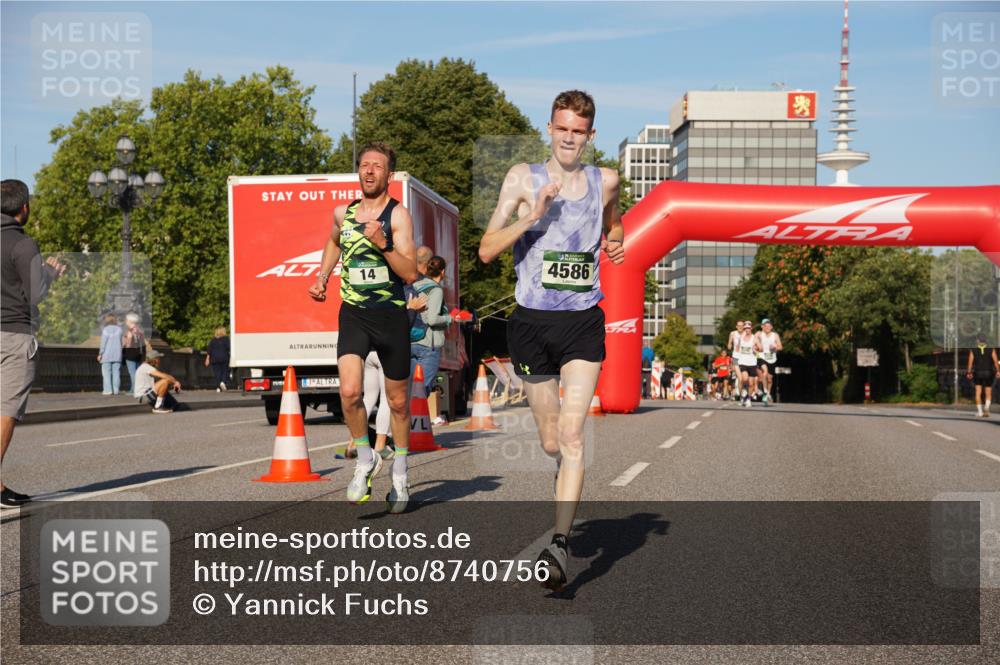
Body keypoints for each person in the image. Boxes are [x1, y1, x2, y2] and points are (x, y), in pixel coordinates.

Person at [479, 90, 625, 590]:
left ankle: (559, 543)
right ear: (549, 128)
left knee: (571, 435)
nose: (569, 137)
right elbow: (485, 251)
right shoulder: (523, 177)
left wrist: (618, 235)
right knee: (548, 441)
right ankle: (562, 480)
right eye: (562, 128)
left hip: (583, 322)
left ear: (590, 136)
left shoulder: (605, 181)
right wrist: (531, 216)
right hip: (531, 324)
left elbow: (614, 220)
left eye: (578, 131)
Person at [308, 142, 418, 513]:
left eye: (377, 166)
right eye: (364, 165)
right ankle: (366, 458)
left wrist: (383, 244)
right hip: (354, 312)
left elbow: (410, 272)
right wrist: (322, 276)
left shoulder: (398, 216)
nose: (369, 171)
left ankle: (400, 474)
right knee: (350, 392)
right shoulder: (344, 213)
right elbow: (334, 241)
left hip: (390, 315)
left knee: (399, 403)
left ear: (389, 175)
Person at [1, 179, 66, 508]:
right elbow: (35, 294)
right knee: (6, 410)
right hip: (13, 334)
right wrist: (49, 274)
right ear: (24, 207)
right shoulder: (23, 244)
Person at [410, 255, 454, 425]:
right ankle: (413, 430)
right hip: (428, 345)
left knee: (411, 389)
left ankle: (404, 429)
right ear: (442, 272)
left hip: (411, 341)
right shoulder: (435, 290)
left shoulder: (415, 285)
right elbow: (433, 319)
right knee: (422, 389)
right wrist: (450, 318)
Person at [133, 349, 181, 413]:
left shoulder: (147, 367)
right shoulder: (146, 367)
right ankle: (158, 407)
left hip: (148, 393)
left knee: (166, 383)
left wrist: (174, 383)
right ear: (155, 360)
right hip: (143, 396)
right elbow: (164, 376)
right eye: (159, 359)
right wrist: (175, 382)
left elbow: (165, 377)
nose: (160, 361)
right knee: (165, 381)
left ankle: (171, 404)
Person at [966, 334, 999, 418]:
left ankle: (980, 412)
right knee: (988, 392)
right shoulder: (991, 349)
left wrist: (969, 372)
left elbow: (970, 362)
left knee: (978, 392)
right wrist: (998, 371)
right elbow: (995, 361)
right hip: (989, 372)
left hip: (978, 372)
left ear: (978, 340)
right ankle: (986, 408)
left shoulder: (973, 350)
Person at [755, 318, 782, 406]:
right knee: (765, 372)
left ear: (771, 327)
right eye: (765, 326)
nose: (767, 327)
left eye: (769, 326)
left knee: (770, 379)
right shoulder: (759, 334)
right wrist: (756, 347)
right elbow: (753, 340)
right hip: (762, 357)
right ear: (762, 327)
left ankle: (768, 393)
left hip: (772, 359)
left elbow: (781, 347)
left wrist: (775, 348)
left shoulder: (775, 335)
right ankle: (765, 391)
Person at [734, 321, 759, 408]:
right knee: (744, 379)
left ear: (751, 328)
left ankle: (748, 399)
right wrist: (736, 357)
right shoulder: (741, 337)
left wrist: (756, 349)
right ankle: (743, 393)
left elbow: (761, 348)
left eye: (748, 328)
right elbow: (737, 348)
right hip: (743, 362)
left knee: (751, 384)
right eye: (745, 328)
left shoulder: (754, 338)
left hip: (752, 363)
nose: (747, 330)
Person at [98, 313, 124, 395]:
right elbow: (121, 342)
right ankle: (116, 390)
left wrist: (100, 353)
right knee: (116, 373)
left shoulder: (105, 330)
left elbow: (103, 343)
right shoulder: (119, 330)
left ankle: (108, 390)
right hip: (117, 355)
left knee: (106, 373)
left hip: (106, 355)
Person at [121, 312, 146, 392]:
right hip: (138, 354)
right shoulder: (140, 331)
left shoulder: (129, 332)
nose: (125, 321)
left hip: (130, 354)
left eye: (126, 320)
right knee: (137, 373)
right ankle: (138, 388)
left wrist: (123, 345)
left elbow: (127, 344)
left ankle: (134, 390)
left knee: (132, 373)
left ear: (130, 321)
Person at [205, 326, 231, 391]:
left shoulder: (213, 340)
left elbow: (209, 350)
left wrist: (207, 359)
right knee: (225, 371)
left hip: (214, 358)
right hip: (224, 357)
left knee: (217, 373)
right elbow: (229, 348)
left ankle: (218, 387)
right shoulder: (226, 339)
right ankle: (223, 382)